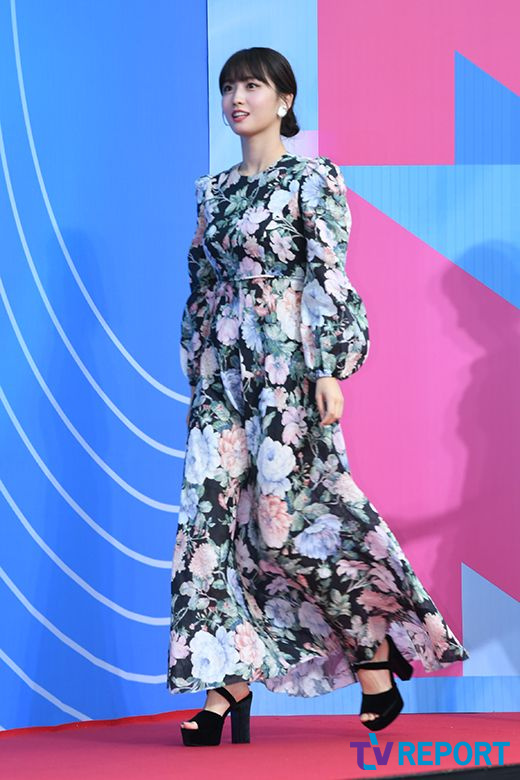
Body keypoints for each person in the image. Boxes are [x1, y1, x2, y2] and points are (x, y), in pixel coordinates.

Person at [168, 47, 468, 747]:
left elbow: (328, 272)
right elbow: (201, 283)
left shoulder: (311, 178)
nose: (237, 98)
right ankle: (226, 678)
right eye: (229, 87)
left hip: (288, 368)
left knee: (289, 523)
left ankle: (372, 649)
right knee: (208, 525)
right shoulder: (211, 192)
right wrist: (199, 366)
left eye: (253, 85)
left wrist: (329, 367)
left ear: (285, 100)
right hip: (222, 374)